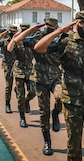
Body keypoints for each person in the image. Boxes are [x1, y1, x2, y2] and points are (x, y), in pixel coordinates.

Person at [34, 11, 84, 161]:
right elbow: (39, 47)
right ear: (75, 24)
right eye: (81, 22)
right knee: (74, 146)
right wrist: (59, 31)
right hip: (72, 100)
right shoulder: (65, 42)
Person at [15, 18, 63, 155]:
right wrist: (31, 29)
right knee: (43, 113)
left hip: (55, 78)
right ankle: (47, 142)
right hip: (40, 80)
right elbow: (17, 40)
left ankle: (56, 113)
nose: (48, 27)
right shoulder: (36, 39)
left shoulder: (60, 40)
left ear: (56, 28)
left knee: (61, 97)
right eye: (46, 25)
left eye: (51, 26)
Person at [7, 25, 36, 128]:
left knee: (33, 92)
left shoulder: (32, 40)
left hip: (29, 70)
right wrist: (15, 36)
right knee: (20, 97)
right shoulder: (16, 40)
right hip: (19, 70)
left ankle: (27, 101)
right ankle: (22, 118)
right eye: (23, 30)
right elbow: (9, 49)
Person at [0, 26, 18, 114]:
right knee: (8, 86)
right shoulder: (5, 41)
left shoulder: (19, 41)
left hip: (18, 66)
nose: (12, 33)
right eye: (10, 32)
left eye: (14, 32)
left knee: (20, 86)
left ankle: (23, 101)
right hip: (8, 65)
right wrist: (2, 35)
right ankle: (7, 104)